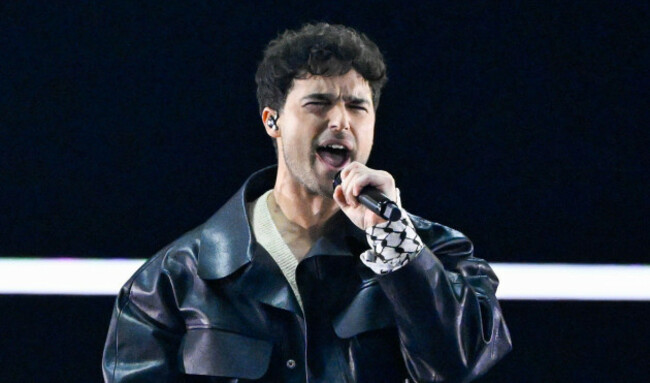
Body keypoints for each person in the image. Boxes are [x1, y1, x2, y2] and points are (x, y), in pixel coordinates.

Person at [102, 23, 511, 383]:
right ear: (272, 121)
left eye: (357, 107)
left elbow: (459, 364)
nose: (340, 121)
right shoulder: (171, 281)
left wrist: (396, 244)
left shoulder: (435, 251)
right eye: (318, 103)